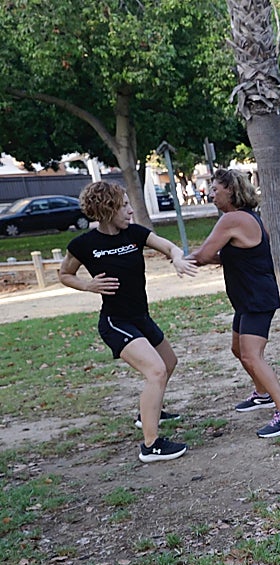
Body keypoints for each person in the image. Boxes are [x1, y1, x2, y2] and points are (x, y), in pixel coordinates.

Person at [58, 182, 197, 463]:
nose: (131, 210)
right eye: (123, 205)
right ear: (106, 209)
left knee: (168, 362)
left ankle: (149, 412)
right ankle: (150, 445)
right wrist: (88, 285)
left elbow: (169, 246)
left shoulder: (134, 233)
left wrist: (177, 259)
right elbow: (65, 274)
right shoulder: (83, 245)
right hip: (115, 321)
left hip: (140, 317)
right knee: (156, 371)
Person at [187, 169, 280, 439]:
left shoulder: (232, 219)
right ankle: (261, 394)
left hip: (256, 298)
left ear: (230, 190)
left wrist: (182, 258)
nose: (212, 195)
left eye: (215, 189)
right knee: (238, 349)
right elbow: (231, 256)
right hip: (247, 297)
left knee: (252, 355)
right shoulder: (251, 218)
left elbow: (205, 254)